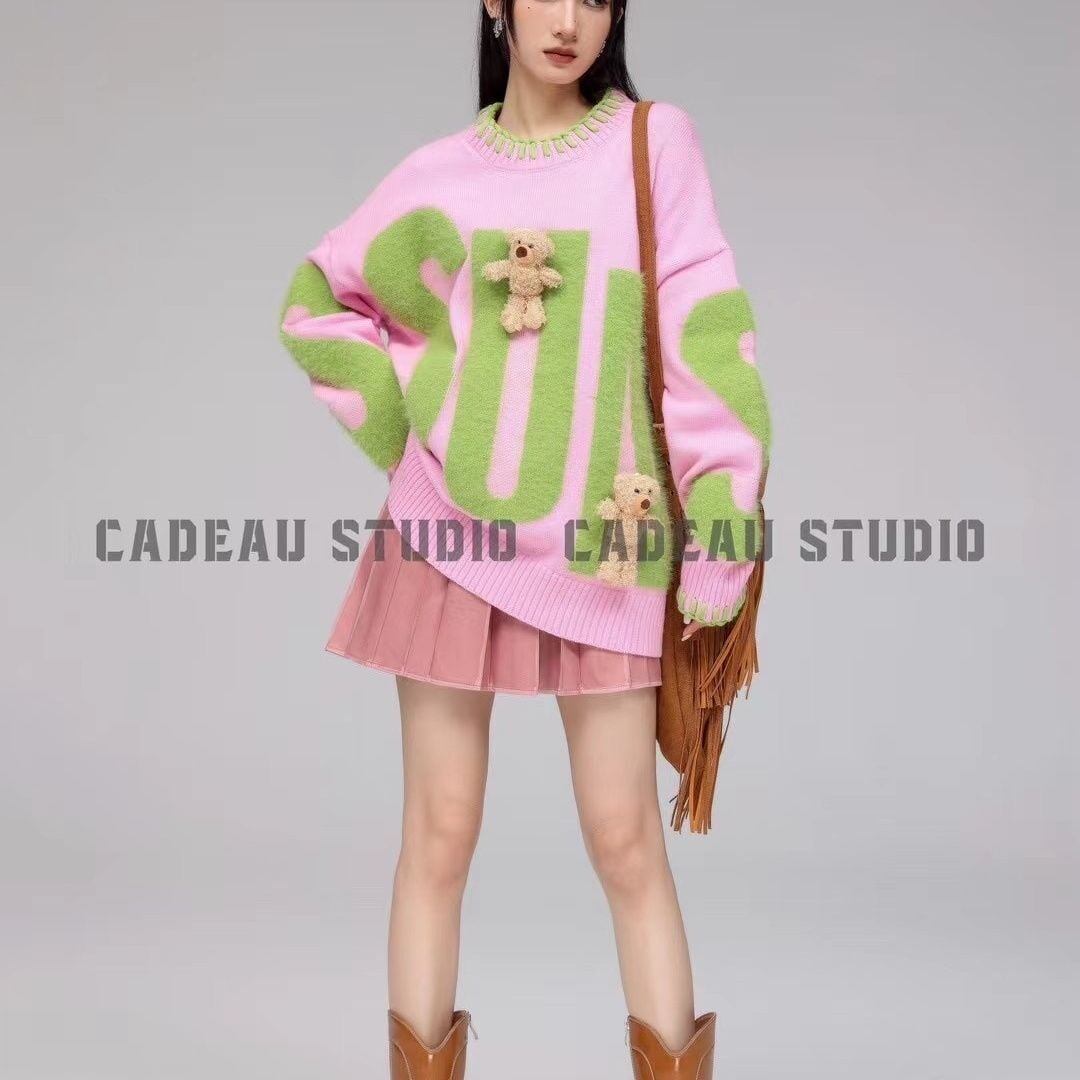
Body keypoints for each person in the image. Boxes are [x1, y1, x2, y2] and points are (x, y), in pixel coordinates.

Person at [278, 2, 772, 1076]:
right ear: (494, 3)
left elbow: (707, 339)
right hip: (448, 546)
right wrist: (419, 438)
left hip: (606, 544)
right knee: (439, 833)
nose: (569, 20)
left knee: (626, 838)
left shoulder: (653, 146)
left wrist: (722, 525)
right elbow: (318, 305)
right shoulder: (439, 177)